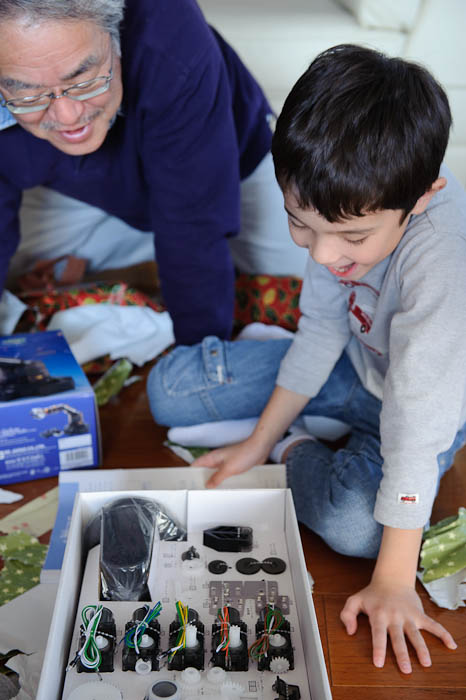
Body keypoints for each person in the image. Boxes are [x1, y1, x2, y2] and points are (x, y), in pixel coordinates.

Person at [147, 44, 466, 673]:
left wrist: (396, 581)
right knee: (167, 392)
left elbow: (420, 411)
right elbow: (320, 326)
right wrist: (255, 441)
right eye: (300, 223)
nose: (321, 256)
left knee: (359, 532)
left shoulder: (442, 264)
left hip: (426, 401)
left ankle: (303, 450)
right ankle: (292, 429)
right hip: (357, 361)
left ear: (422, 198)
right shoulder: (336, 214)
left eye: (351, 238)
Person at [0, 0, 306, 345]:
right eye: (28, 95)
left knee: (318, 292)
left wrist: (199, 365)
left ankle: (171, 263)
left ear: (113, 35)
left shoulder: (172, 40)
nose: (68, 116)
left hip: (227, 168)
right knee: (19, 285)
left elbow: (193, 223)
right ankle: (152, 260)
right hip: (78, 188)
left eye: (84, 79)